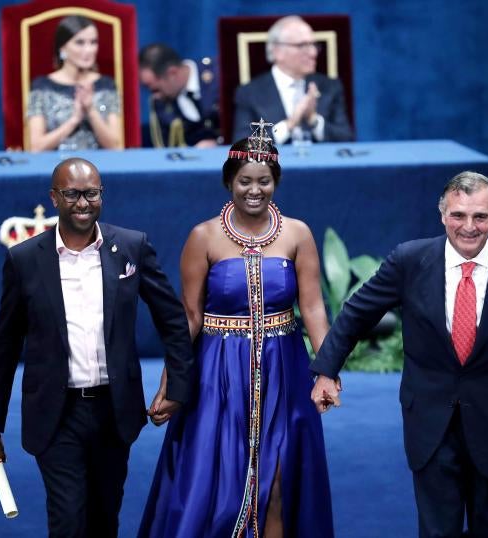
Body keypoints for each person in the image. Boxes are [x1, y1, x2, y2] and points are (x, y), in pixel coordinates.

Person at [310, 171, 488, 537]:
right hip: (430, 426)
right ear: (442, 214)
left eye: (480, 216)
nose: (469, 226)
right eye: (458, 215)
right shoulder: (410, 261)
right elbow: (357, 312)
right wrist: (327, 370)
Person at [0, 158, 194, 537]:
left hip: (115, 410)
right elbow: (6, 348)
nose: (83, 203)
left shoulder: (131, 247)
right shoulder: (25, 259)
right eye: (72, 194)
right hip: (55, 414)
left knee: (104, 519)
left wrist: (176, 385)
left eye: (91, 193)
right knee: (68, 521)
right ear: (54, 198)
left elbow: (173, 320)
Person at [139, 121, 335, 537]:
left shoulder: (298, 233)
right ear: (230, 181)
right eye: (245, 180)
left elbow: (313, 307)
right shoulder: (203, 237)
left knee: (280, 478)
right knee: (217, 483)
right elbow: (188, 317)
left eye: (264, 181)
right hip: (217, 375)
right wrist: (169, 384)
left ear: (275, 182)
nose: (254, 189)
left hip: (284, 369)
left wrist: (328, 370)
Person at [232, 15, 353, 145]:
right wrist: (289, 125)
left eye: (313, 45)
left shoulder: (330, 87)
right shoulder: (250, 93)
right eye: (302, 45)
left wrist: (314, 121)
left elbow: (346, 139)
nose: (313, 53)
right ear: (277, 51)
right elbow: (242, 146)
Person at [27, 15, 122, 152]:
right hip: (56, 167)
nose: (89, 50)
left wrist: (90, 111)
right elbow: (36, 147)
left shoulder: (106, 85)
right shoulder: (42, 87)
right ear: (63, 48)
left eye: (93, 42)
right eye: (80, 42)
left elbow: (116, 146)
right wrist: (74, 120)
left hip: (99, 168)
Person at [138, 43, 220, 148]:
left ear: (172, 73)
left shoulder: (218, 75)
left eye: (155, 89)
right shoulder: (161, 103)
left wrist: (218, 144)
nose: (155, 96)